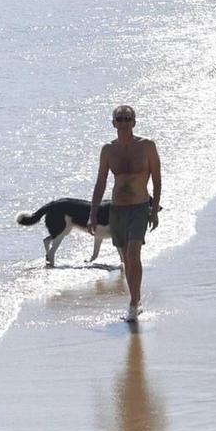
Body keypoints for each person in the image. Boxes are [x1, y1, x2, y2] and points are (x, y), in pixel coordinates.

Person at [89, 104, 161, 321]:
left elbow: (157, 179)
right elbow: (101, 182)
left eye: (127, 119)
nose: (123, 122)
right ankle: (136, 299)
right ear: (113, 123)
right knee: (126, 259)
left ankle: (133, 302)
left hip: (139, 207)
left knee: (133, 253)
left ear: (134, 122)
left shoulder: (147, 146)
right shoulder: (108, 150)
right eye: (119, 119)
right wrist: (93, 213)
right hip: (117, 209)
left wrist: (154, 209)